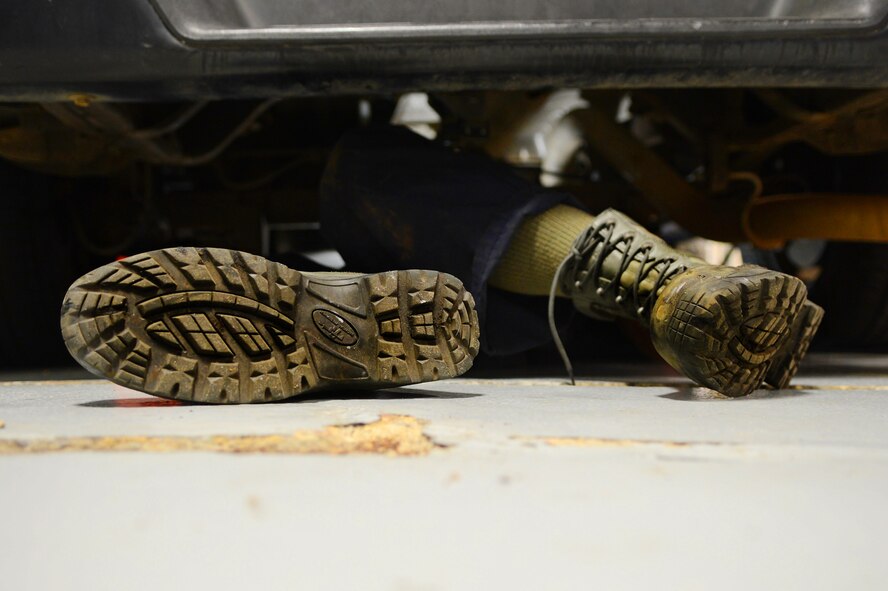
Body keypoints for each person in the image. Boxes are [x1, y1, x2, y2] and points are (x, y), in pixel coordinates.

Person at [60, 125, 821, 403]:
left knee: (362, 171)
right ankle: (665, 284)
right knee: (364, 205)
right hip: (536, 329)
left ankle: (667, 286)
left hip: (530, 323)